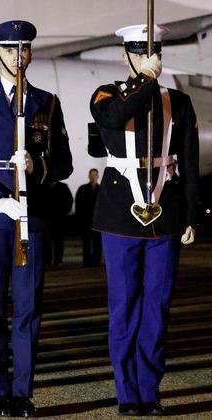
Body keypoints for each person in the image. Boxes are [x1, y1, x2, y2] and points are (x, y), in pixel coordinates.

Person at [0, 20, 73, 417]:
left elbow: (65, 163)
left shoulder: (47, 103)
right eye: (9, 50)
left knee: (28, 306)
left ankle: (22, 391)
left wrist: (37, 164)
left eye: (23, 49)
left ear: (31, 54)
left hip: (33, 217)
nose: (17, 57)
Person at [89, 24, 199, 416]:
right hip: (120, 216)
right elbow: (118, 115)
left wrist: (189, 214)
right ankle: (127, 392)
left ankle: (149, 390)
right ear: (126, 57)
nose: (145, 59)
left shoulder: (180, 103)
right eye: (138, 53)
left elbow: (188, 161)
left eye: (151, 54)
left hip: (164, 214)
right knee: (124, 305)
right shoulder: (106, 95)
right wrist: (146, 79)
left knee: (157, 306)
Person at [75, 169, 103, 267]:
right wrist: (80, 218)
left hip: (98, 221)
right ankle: (86, 262)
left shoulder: (102, 190)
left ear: (98, 176)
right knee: (86, 242)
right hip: (86, 220)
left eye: (95, 175)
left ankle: (96, 262)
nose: (93, 177)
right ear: (89, 176)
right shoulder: (82, 189)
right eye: (92, 175)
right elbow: (78, 204)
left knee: (97, 243)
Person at [43, 181, 73, 267]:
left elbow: (69, 200)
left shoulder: (63, 186)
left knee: (59, 240)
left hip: (59, 219)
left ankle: (58, 260)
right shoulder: (43, 185)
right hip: (47, 218)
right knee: (47, 241)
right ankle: (48, 260)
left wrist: (64, 212)